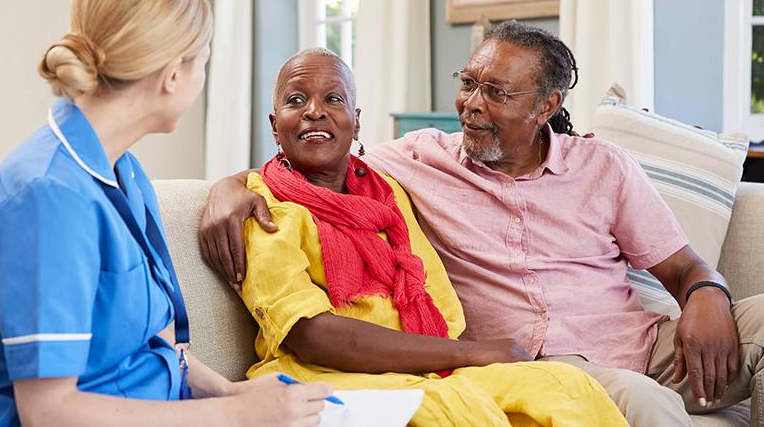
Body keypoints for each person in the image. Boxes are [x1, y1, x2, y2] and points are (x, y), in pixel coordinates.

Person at [200, 22, 764, 426]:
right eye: (468, 83)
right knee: (642, 401)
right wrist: (226, 187)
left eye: (496, 93)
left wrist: (707, 293)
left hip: (646, 342)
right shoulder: (417, 160)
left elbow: (684, 267)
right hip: (546, 361)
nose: (471, 104)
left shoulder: (603, 166)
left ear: (546, 105)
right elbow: (315, 158)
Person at [0, 0, 331, 426]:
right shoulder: (45, 199)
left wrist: (233, 391)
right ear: (173, 74)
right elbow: (48, 413)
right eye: (204, 62)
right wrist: (234, 413)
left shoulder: (127, 174)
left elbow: (157, 348)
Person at [227, 47, 627, 426]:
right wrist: (472, 354)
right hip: (320, 373)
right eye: (296, 101)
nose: (315, 112)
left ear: (357, 120)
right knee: (453, 410)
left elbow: (439, 302)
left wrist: (459, 358)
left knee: (566, 386)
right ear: (274, 125)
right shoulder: (260, 206)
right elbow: (310, 335)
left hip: (421, 366)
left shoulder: (386, 192)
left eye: (333, 99)